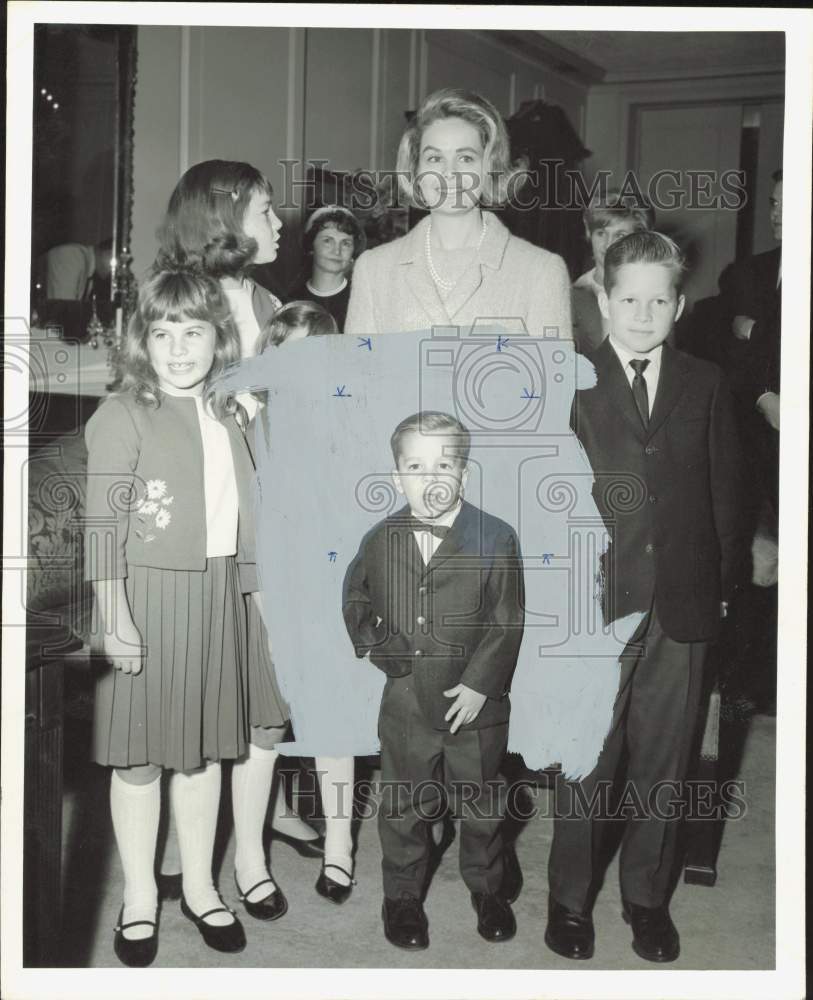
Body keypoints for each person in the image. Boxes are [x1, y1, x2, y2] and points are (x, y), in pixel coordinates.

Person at [545, 232, 744, 963]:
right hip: (595, 608)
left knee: (666, 759)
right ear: (602, 300)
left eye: (658, 299)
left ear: (680, 305)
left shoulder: (705, 381)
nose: (642, 311)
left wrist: (720, 593)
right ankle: (568, 901)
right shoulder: (573, 385)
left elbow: (725, 492)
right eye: (627, 297)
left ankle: (646, 899)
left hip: (682, 605)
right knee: (589, 761)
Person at [84, 266, 259, 965]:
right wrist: (114, 615)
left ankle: (198, 884)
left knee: (203, 751)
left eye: (193, 330)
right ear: (141, 340)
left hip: (219, 593)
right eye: (162, 332)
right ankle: (138, 896)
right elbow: (102, 524)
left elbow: (251, 512)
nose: (178, 347)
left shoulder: (232, 410)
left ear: (219, 337)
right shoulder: (123, 413)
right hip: (147, 596)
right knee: (140, 758)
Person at [156, 161, 325, 886]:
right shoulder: (174, 310)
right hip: (199, 530)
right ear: (225, 218)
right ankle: (181, 849)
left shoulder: (275, 305)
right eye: (264, 210)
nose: (279, 223)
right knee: (192, 692)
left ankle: (252, 852)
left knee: (266, 693)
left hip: (270, 525)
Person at [343, 411, 525, 949]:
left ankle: (488, 888)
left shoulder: (496, 536)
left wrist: (479, 682)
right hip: (406, 699)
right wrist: (382, 651)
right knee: (403, 803)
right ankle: (401, 897)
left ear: (465, 475)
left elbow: (506, 618)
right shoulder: (381, 537)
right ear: (397, 475)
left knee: (482, 799)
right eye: (415, 466)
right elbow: (355, 599)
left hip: (476, 702)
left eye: (444, 464)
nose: (430, 478)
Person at [249, 299, 358, 901]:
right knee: (260, 726)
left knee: (330, 720)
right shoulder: (248, 425)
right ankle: (248, 852)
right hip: (263, 590)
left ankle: (339, 844)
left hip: (323, 591)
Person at [345, 88, 571, 339]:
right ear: (415, 170)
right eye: (434, 158)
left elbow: (555, 377)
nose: (449, 173)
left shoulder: (540, 271)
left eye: (465, 158)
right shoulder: (374, 270)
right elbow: (356, 375)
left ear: (490, 168)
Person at [571, 190, 655, 355]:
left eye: (620, 235)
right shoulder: (574, 293)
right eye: (601, 233)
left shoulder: (654, 292)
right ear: (590, 234)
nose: (608, 244)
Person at [286, 206, 366, 333]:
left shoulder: (363, 301)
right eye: (328, 241)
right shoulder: (291, 302)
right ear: (311, 246)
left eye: (346, 243)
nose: (337, 251)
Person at [44, 237, 113, 300]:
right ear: (104, 252)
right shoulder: (71, 255)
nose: (112, 271)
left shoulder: (90, 274)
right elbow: (63, 308)